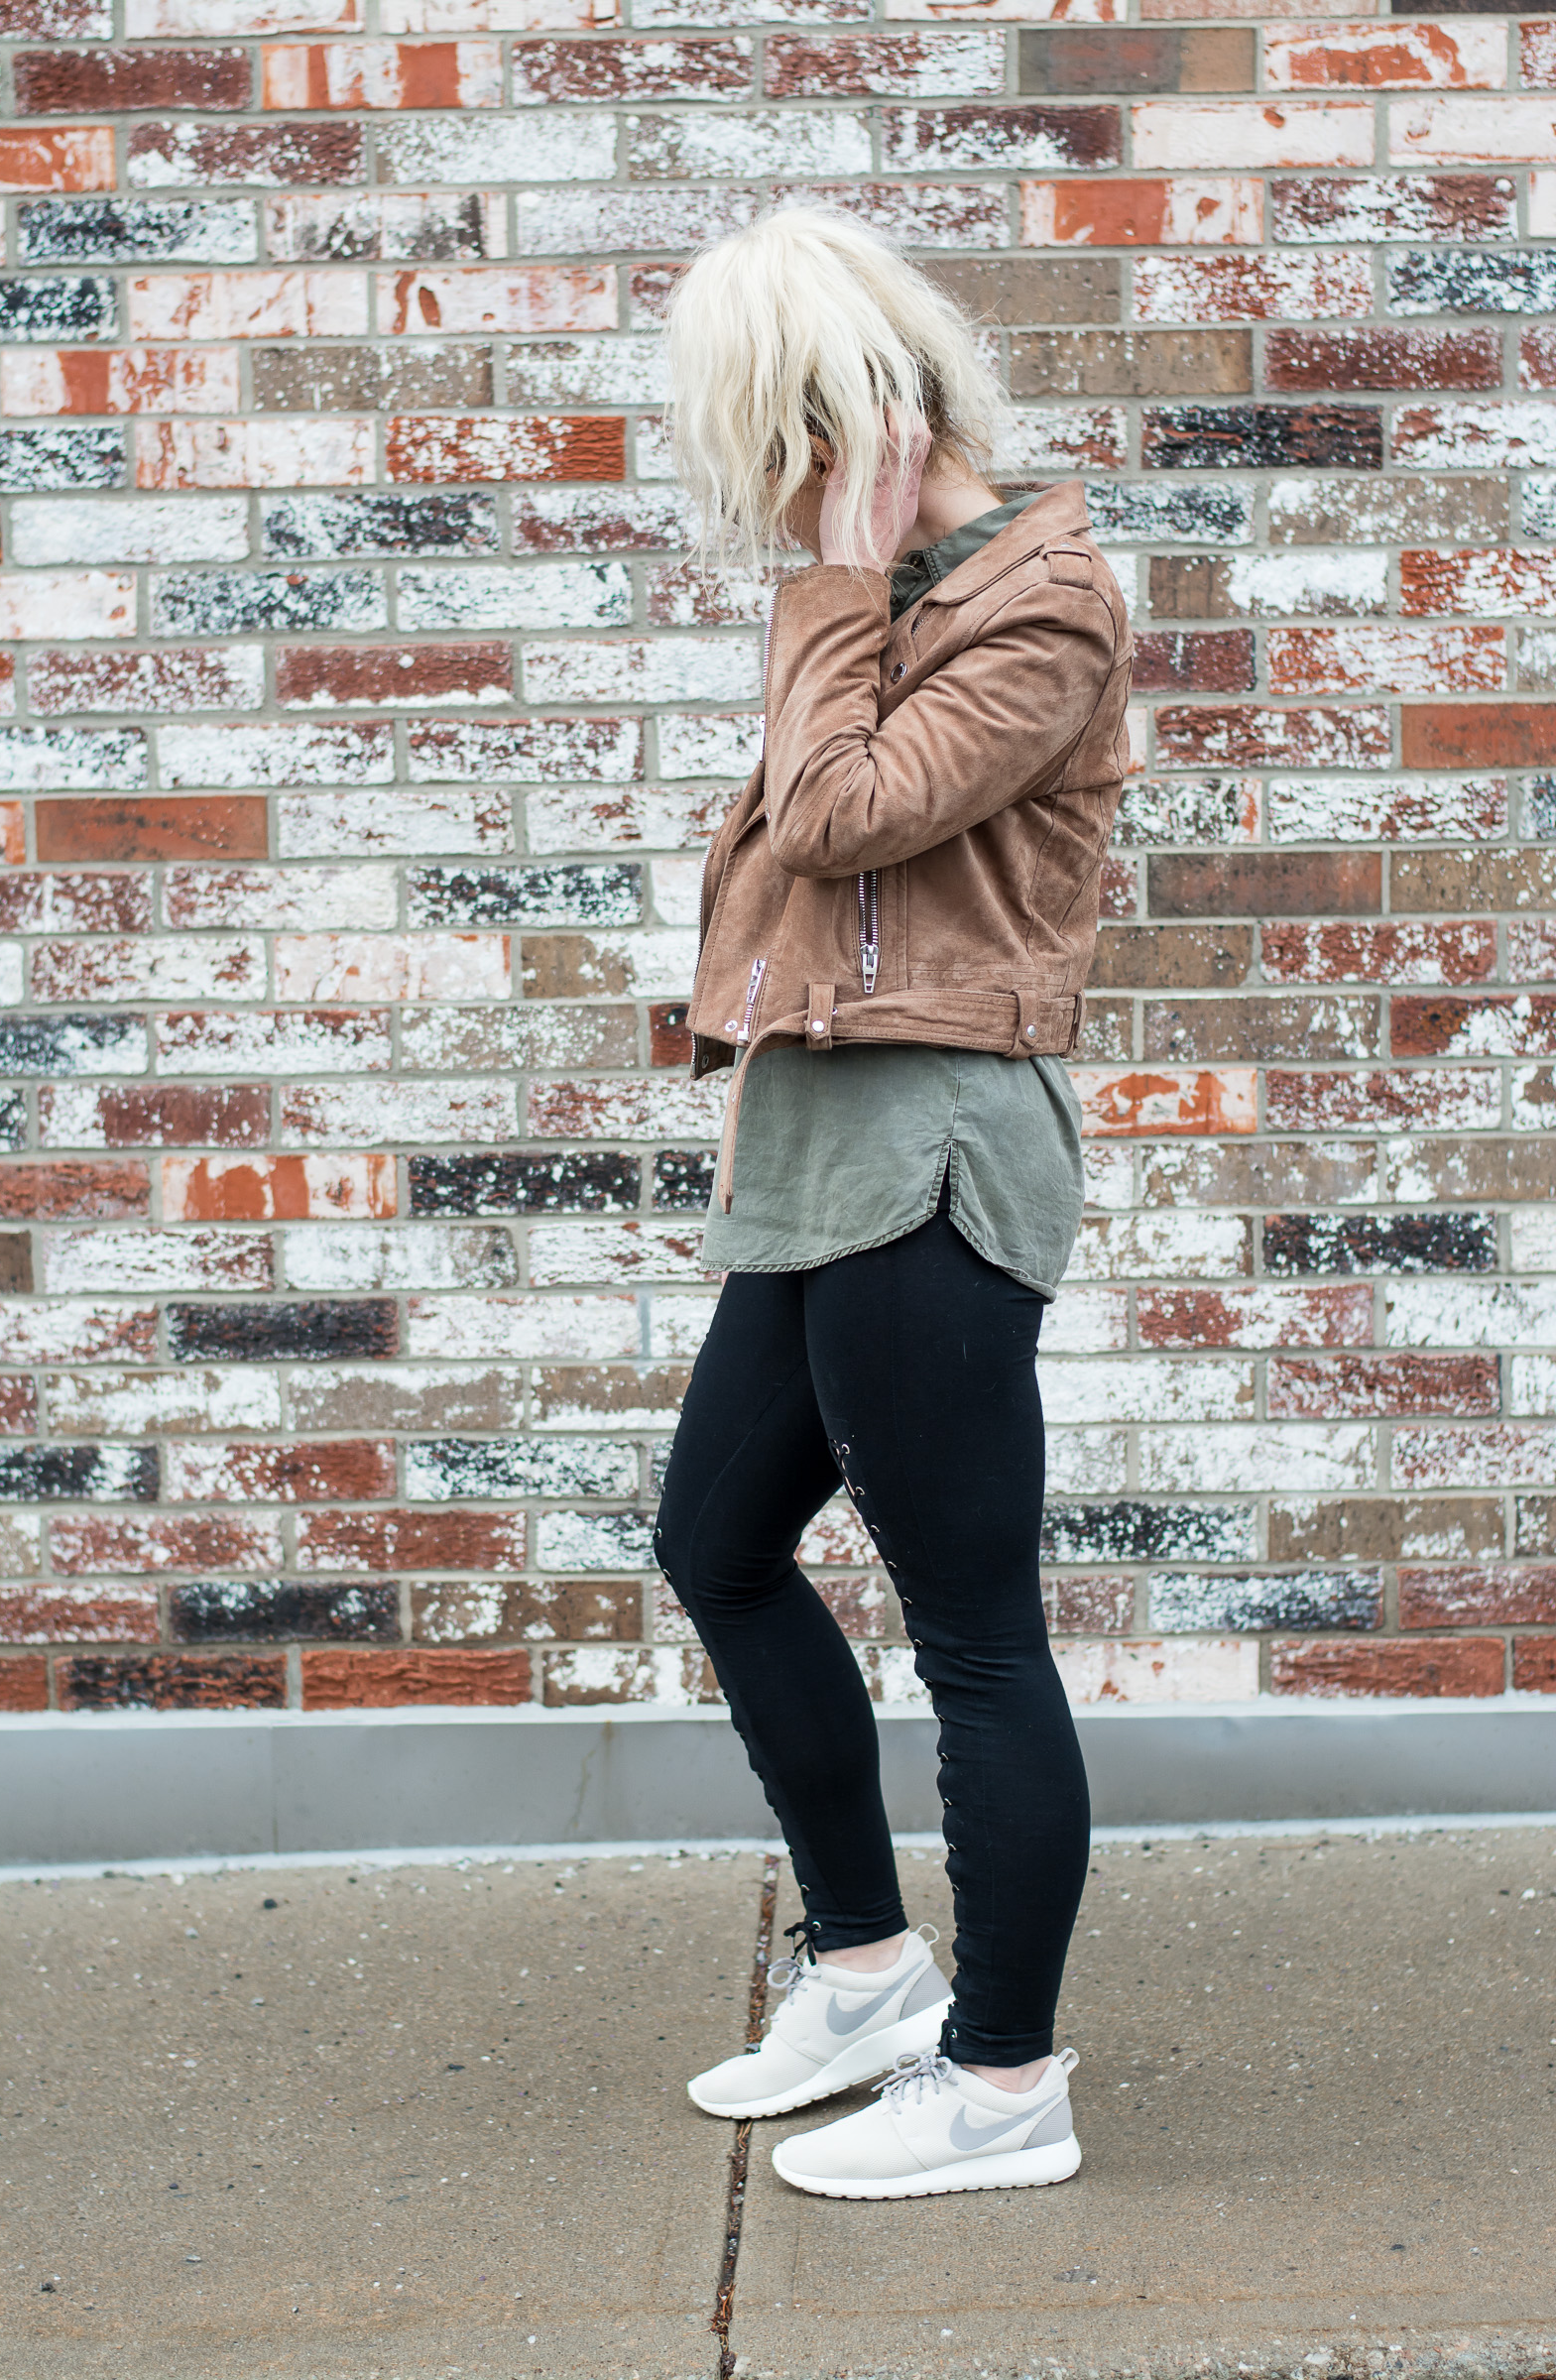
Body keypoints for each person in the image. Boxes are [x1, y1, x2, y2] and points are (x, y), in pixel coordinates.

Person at [652, 205, 1132, 2202]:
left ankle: (1006, 2088)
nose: (757, 500)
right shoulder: (909, 590)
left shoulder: (1036, 601)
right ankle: (862, 1973)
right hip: (826, 1134)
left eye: (759, 443)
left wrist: (830, 591)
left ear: (827, 417)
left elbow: (842, 815)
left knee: (971, 1634)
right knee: (717, 1542)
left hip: (934, 1140)